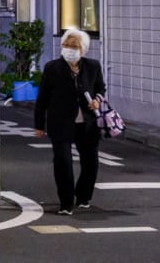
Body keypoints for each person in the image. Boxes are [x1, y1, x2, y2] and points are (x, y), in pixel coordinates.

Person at [34, 27, 105, 215]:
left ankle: (83, 196)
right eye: (67, 45)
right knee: (63, 162)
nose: (70, 49)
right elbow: (42, 98)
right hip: (60, 122)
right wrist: (39, 125)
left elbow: (100, 88)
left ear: (83, 49)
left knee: (91, 162)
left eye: (74, 46)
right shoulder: (52, 68)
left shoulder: (93, 66)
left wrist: (97, 100)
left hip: (87, 123)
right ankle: (66, 203)